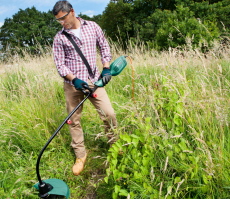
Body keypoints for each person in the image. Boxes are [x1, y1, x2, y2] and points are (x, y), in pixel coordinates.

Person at [52, 0, 117, 176]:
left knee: (109, 113)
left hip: (95, 81)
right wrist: (74, 80)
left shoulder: (93, 26)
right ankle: (80, 155)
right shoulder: (59, 38)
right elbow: (60, 65)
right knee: (73, 121)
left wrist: (106, 67)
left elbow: (104, 47)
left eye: (63, 18)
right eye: (58, 21)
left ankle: (115, 146)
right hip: (73, 85)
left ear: (72, 11)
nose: (62, 23)